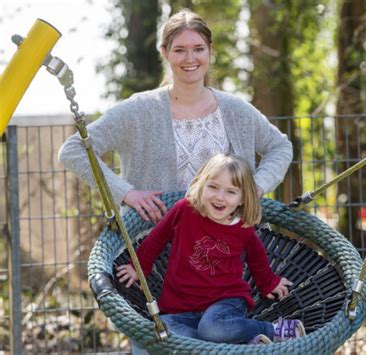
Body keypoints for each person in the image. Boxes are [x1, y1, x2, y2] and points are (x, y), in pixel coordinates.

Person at [58, 8, 293, 226]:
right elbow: (73, 150)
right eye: (180, 50)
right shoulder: (139, 110)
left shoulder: (236, 110)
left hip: (226, 249)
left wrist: (256, 187)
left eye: (198, 49)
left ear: (210, 51)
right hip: (155, 248)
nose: (190, 58)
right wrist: (126, 192)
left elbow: (280, 147)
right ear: (165, 53)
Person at [116, 154, 306, 347]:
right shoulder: (184, 210)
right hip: (179, 308)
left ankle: (271, 330)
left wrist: (269, 283)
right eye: (213, 187)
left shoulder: (242, 227)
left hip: (225, 304)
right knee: (163, 330)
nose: (219, 197)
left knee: (211, 329)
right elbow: (156, 238)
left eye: (230, 192)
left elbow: (257, 257)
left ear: (242, 198)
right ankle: (238, 345)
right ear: (201, 185)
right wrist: (137, 267)